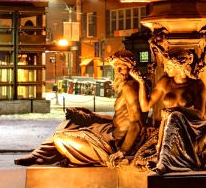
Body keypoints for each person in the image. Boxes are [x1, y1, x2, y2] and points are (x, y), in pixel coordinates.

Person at [14, 50, 145, 167]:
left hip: (114, 142)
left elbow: (136, 122)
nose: (118, 70)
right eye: (115, 67)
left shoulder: (129, 87)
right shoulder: (128, 86)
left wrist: (122, 152)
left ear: (131, 67)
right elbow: (122, 118)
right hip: (110, 130)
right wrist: (93, 115)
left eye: (122, 66)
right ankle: (39, 155)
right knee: (71, 121)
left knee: (60, 137)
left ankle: (57, 156)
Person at [129, 36, 206, 174]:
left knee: (177, 116)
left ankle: (166, 163)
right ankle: (166, 161)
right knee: (174, 117)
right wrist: (141, 83)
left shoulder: (197, 85)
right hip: (167, 128)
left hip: (190, 127)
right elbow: (145, 106)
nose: (165, 69)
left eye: (169, 66)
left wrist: (176, 110)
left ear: (179, 66)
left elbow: (200, 114)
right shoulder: (165, 82)